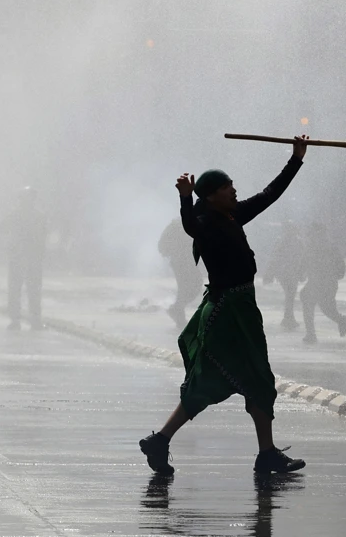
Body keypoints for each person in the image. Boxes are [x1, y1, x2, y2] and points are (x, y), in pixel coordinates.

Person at [139, 137, 309, 478]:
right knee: (219, 380)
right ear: (211, 196)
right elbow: (189, 224)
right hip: (225, 312)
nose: (234, 191)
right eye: (227, 187)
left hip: (242, 309)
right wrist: (185, 197)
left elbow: (269, 194)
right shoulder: (205, 224)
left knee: (255, 379)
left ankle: (263, 453)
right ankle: (165, 440)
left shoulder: (233, 214)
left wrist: (296, 158)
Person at [2, 187, 47, 331]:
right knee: (28, 289)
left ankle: (22, 319)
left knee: (23, 289)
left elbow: (6, 232)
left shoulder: (17, 215)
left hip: (25, 256)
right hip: (25, 256)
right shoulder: (36, 216)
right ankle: (28, 319)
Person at [299, 221, 346, 343]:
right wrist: (301, 273)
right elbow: (304, 262)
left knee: (327, 308)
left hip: (327, 282)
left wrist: (337, 274)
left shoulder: (330, 247)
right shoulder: (311, 247)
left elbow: (340, 264)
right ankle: (310, 333)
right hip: (315, 282)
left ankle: (340, 320)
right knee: (308, 302)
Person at [157, 216, 204, 327]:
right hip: (180, 263)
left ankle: (177, 310)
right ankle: (178, 313)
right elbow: (162, 246)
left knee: (194, 285)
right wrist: (175, 254)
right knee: (186, 288)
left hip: (189, 261)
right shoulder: (176, 226)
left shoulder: (189, 224)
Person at [261, 220, 305, 330]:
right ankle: (288, 318)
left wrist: (270, 272)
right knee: (290, 294)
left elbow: (274, 257)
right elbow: (301, 258)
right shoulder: (295, 242)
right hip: (288, 272)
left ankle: (288, 317)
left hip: (286, 272)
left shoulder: (283, 241)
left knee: (289, 294)